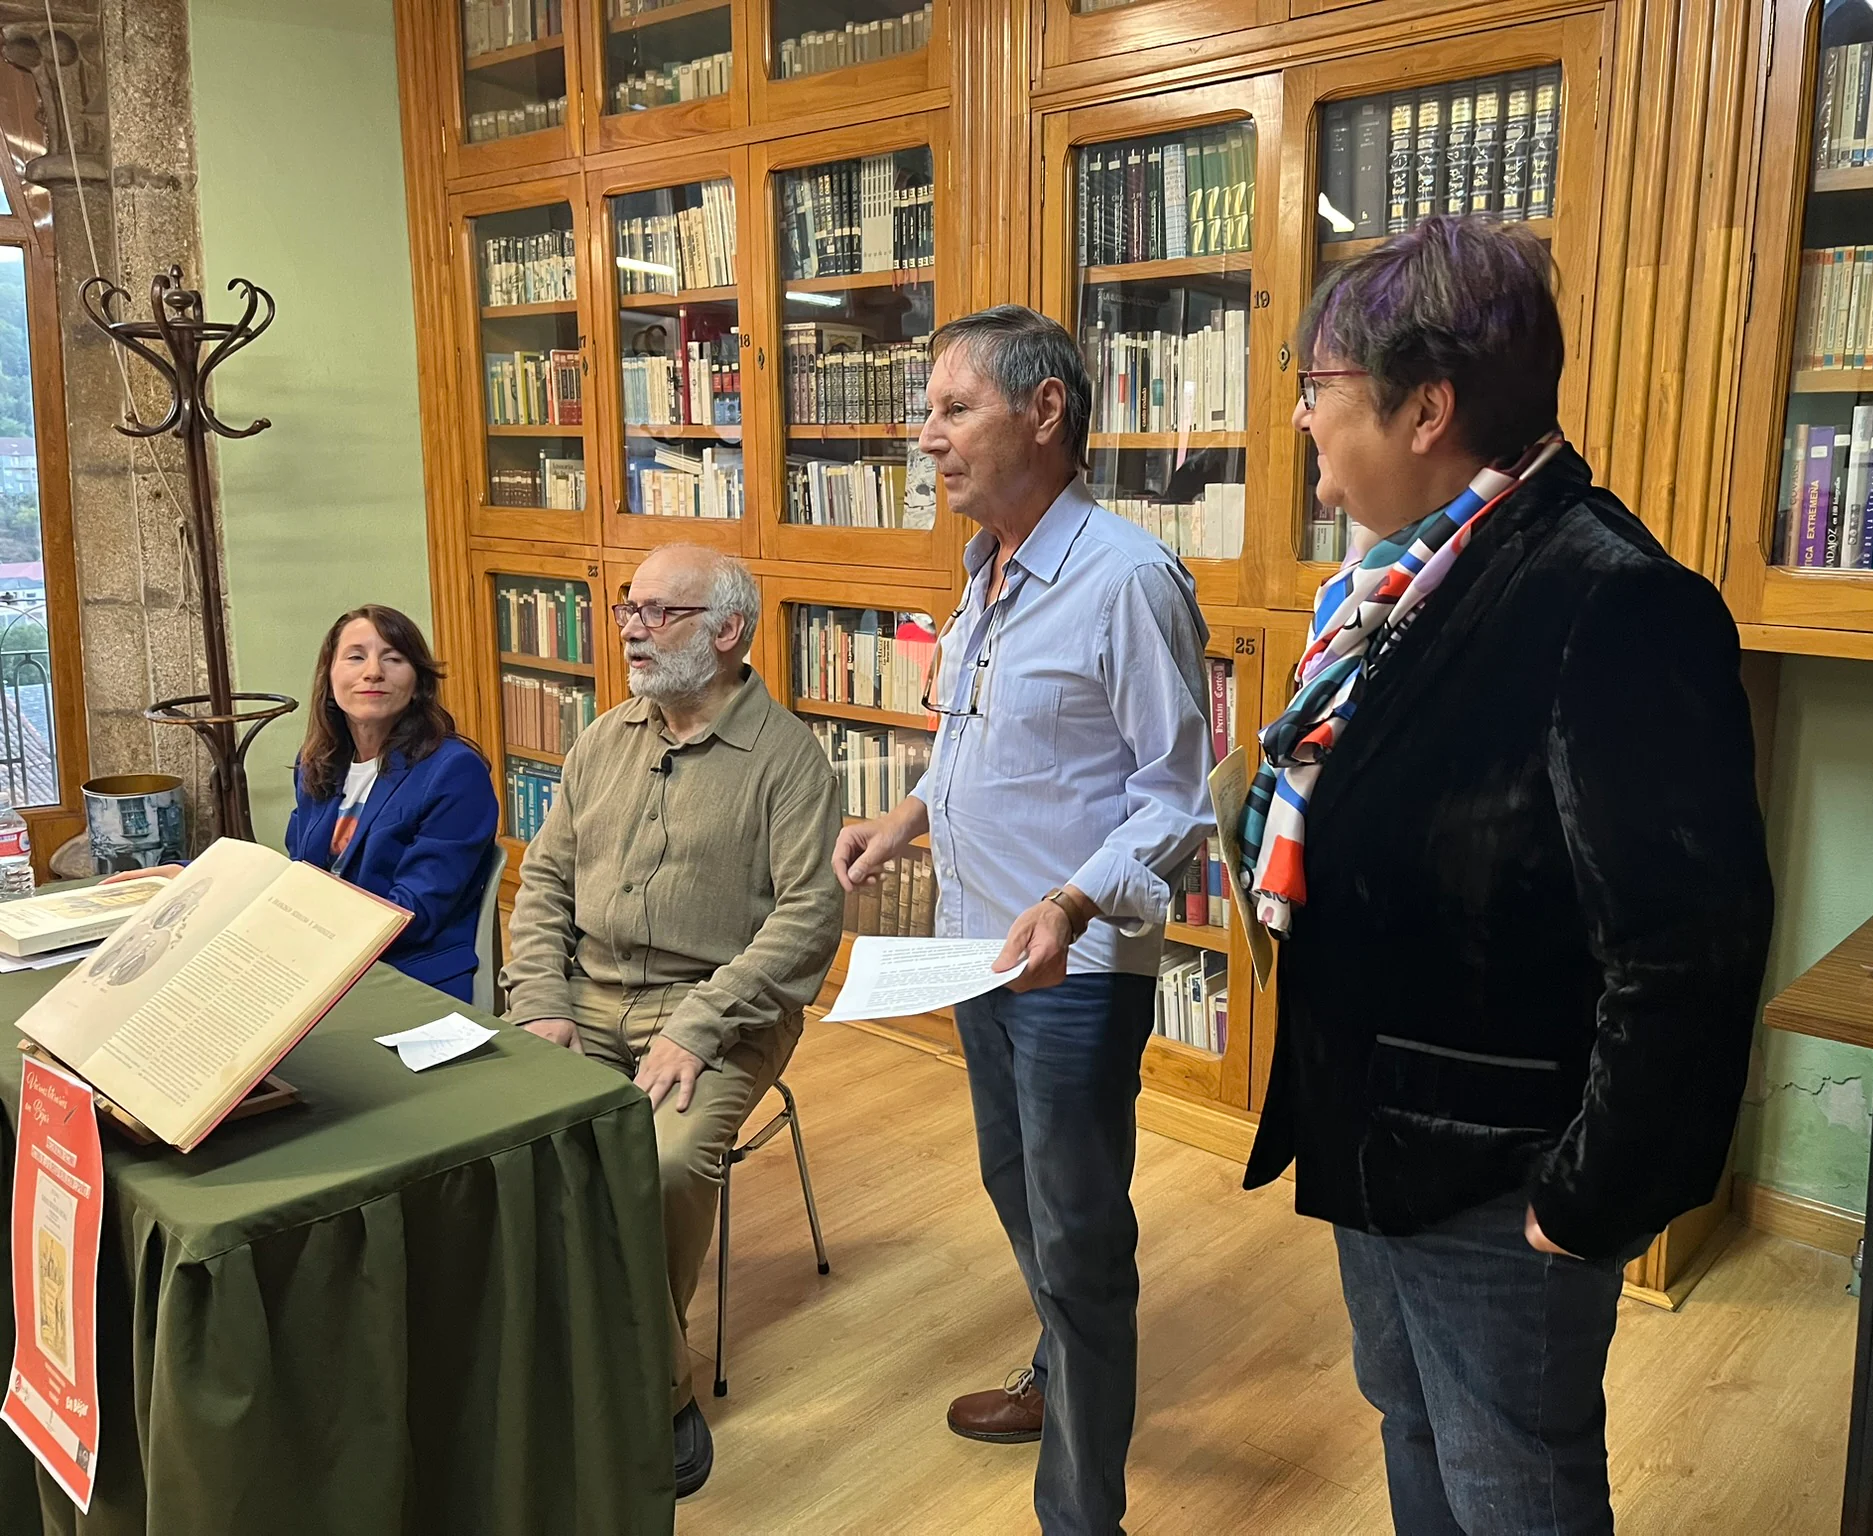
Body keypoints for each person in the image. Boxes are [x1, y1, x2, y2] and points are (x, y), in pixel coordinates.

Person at [1239, 217, 1774, 1535]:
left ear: (1426, 407)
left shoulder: (1611, 600)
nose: (1303, 418)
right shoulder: (1398, 584)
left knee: (1512, 1481)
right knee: (1412, 1422)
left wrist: (1587, 1200)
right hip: (1377, 1129)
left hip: (1497, 1173)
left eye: (1320, 388)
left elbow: (1688, 946)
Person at [835, 306, 1213, 1536]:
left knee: (1080, 1230)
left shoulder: (1126, 579)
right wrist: (904, 819)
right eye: (926, 412)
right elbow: (983, 741)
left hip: (1073, 963)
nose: (924, 437)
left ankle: (1080, 1513)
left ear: (1043, 413)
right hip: (975, 945)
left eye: (952, 410)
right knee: (1016, 1189)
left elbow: (1173, 797)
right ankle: (1060, 1372)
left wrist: (1067, 899)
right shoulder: (984, 567)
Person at [502, 544, 841, 1502]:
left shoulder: (790, 762)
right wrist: (541, 1003)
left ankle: (656, 1391)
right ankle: (556, 1351)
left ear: (729, 632)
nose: (632, 628)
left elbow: (808, 921)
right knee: (505, 1141)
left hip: (721, 1015)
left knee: (656, 1163)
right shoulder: (602, 738)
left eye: (660, 611)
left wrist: (698, 1025)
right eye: (627, 608)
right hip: (585, 998)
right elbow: (545, 883)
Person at [108, 605, 500, 1001]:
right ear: (329, 679)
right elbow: (300, 874)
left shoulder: (454, 772)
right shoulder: (319, 762)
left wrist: (279, 913)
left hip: (404, 977)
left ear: (418, 683)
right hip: (315, 962)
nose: (373, 672)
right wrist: (198, 877)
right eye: (356, 657)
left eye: (393, 658)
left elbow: (412, 914)